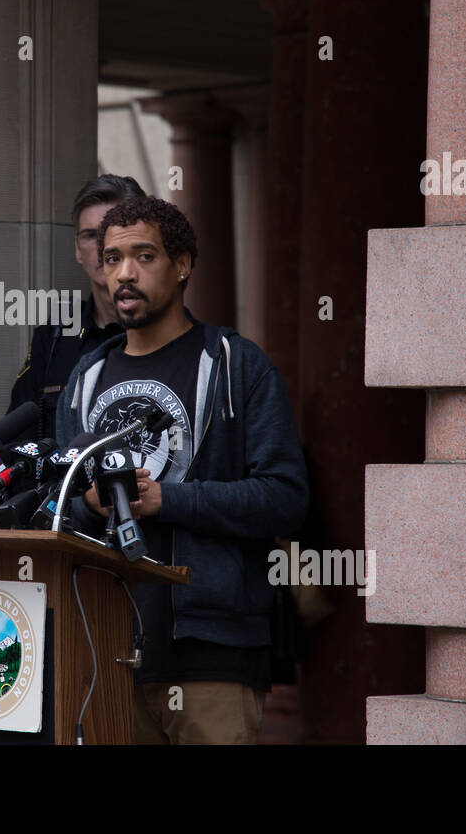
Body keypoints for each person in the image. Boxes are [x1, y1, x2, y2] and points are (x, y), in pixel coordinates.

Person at [55, 195, 308, 744]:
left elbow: (285, 497)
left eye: (144, 256)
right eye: (113, 257)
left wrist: (169, 500)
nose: (124, 273)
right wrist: (87, 504)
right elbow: (56, 503)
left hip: (210, 652)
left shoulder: (237, 366)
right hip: (104, 648)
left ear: (184, 264)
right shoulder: (85, 377)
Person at [7, 174, 144, 441]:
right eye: (91, 236)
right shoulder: (56, 335)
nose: (104, 247)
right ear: (78, 250)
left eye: (114, 231)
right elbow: (16, 438)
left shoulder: (167, 332)